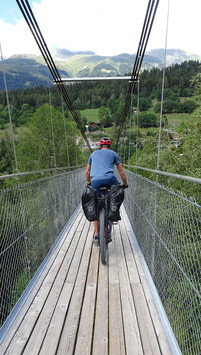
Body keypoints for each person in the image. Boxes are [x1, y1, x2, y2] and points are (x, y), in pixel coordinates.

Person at [85, 136, 128, 245]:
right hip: (110, 180)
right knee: (116, 194)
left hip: (95, 181)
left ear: (100, 146)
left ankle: (96, 235)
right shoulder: (113, 153)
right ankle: (113, 212)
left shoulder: (93, 154)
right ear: (109, 146)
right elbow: (121, 172)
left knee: (95, 207)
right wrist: (125, 185)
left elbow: (87, 172)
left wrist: (89, 184)